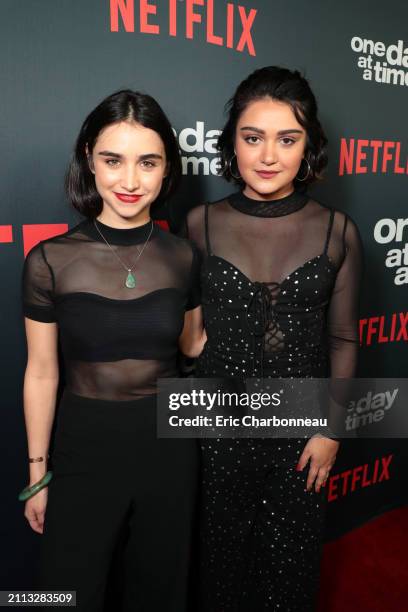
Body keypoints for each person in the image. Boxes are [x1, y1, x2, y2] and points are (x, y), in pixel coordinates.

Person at [183, 67, 363, 611]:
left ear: (308, 147)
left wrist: (330, 431)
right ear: (231, 141)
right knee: (216, 570)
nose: (268, 156)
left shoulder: (338, 230)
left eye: (287, 139)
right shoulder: (199, 223)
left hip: (300, 436)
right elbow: (185, 335)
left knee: (288, 574)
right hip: (215, 431)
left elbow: (343, 339)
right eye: (252, 137)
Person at [21, 89, 203, 612]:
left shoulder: (184, 256)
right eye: (112, 160)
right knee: (65, 592)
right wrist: (38, 475)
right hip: (83, 446)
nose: (129, 181)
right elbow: (40, 372)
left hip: (169, 447)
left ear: (167, 167)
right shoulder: (49, 260)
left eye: (147, 162)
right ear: (88, 159)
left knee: (161, 591)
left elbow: (192, 345)